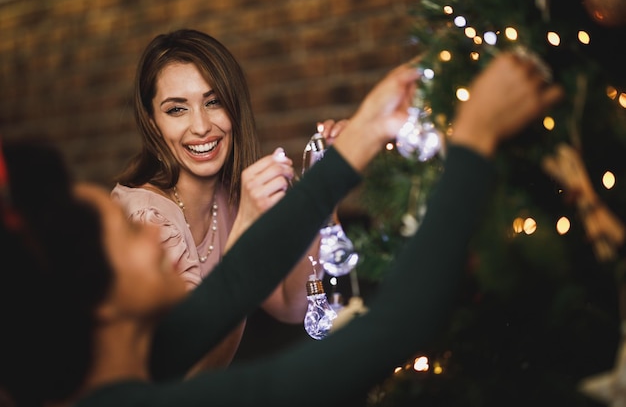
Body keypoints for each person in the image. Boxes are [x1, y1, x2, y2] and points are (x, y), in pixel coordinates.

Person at [0, 51, 562, 407]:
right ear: (97, 303)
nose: (148, 233)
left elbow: (238, 279)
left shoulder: (132, 362)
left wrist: (364, 134)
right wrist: (473, 143)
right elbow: (395, 328)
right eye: (126, 238)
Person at [111, 29, 348, 369]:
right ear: (152, 123)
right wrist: (247, 226)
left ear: (235, 107)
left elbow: (292, 305)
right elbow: (193, 366)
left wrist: (322, 191)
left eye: (213, 101)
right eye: (177, 110)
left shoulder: (231, 200)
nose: (202, 126)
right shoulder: (146, 219)